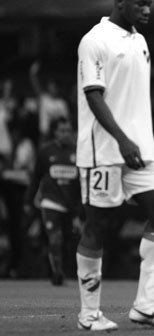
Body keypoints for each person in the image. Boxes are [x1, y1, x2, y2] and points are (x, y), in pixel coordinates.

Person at [75, 0, 154, 331]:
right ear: (120, 2)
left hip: (142, 148)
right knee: (97, 225)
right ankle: (89, 314)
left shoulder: (141, 41)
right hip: (104, 150)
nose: (147, 9)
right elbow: (93, 95)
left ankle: (145, 307)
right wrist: (121, 139)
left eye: (149, 3)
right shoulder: (95, 41)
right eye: (140, 3)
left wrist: (137, 139)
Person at [23, 117, 81, 286]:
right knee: (55, 238)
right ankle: (57, 273)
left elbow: (81, 183)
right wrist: (28, 200)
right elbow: (36, 178)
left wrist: (80, 210)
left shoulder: (78, 152)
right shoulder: (46, 152)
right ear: (55, 132)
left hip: (70, 206)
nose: (66, 134)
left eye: (68, 130)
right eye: (62, 131)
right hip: (51, 202)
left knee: (70, 242)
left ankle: (63, 267)